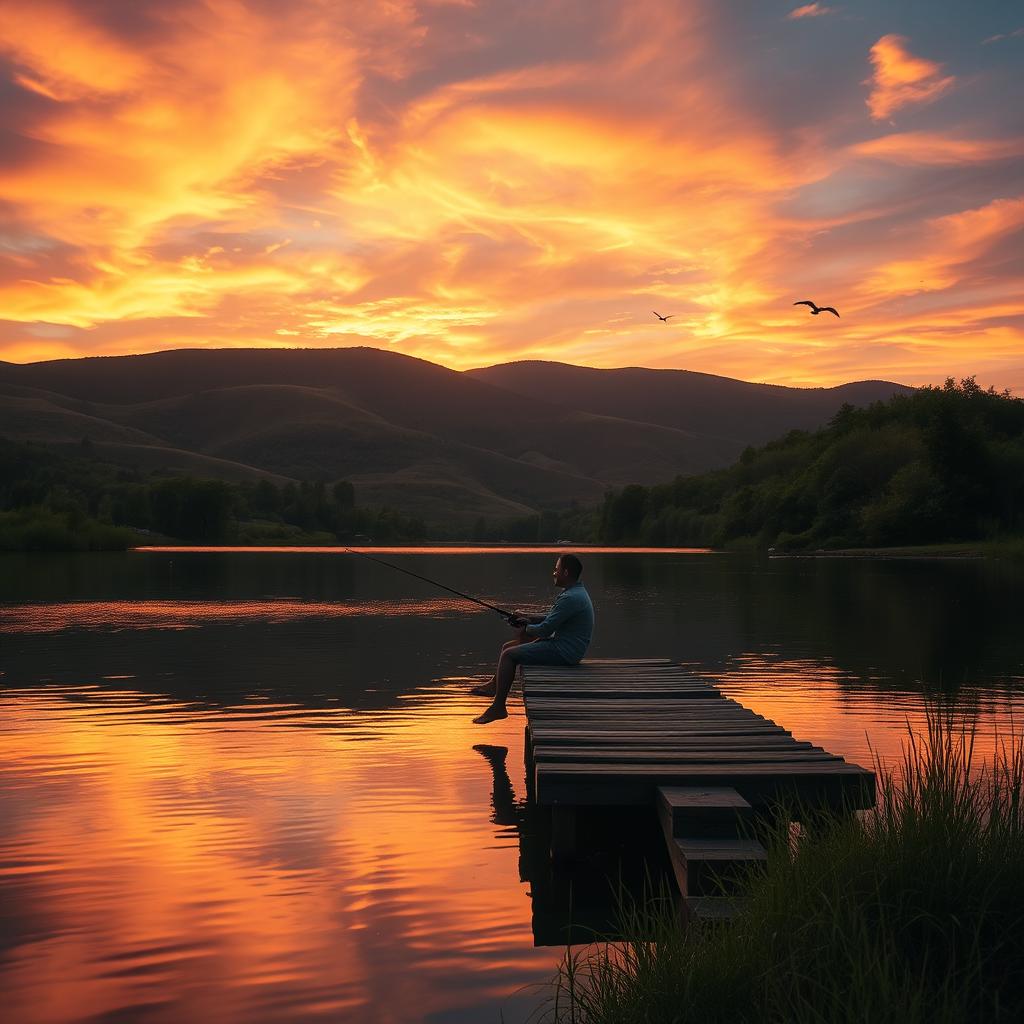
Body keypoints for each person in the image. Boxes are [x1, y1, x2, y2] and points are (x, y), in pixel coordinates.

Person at [471, 553, 594, 725]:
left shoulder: (570, 598)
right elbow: (552, 617)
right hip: (566, 647)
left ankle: (499, 707)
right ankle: (494, 685)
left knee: (509, 656)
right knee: (508, 647)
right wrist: (528, 617)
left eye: (556, 569)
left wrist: (526, 627)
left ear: (565, 573)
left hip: (565, 652)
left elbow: (544, 630)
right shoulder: (575, 593)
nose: (553, 573)